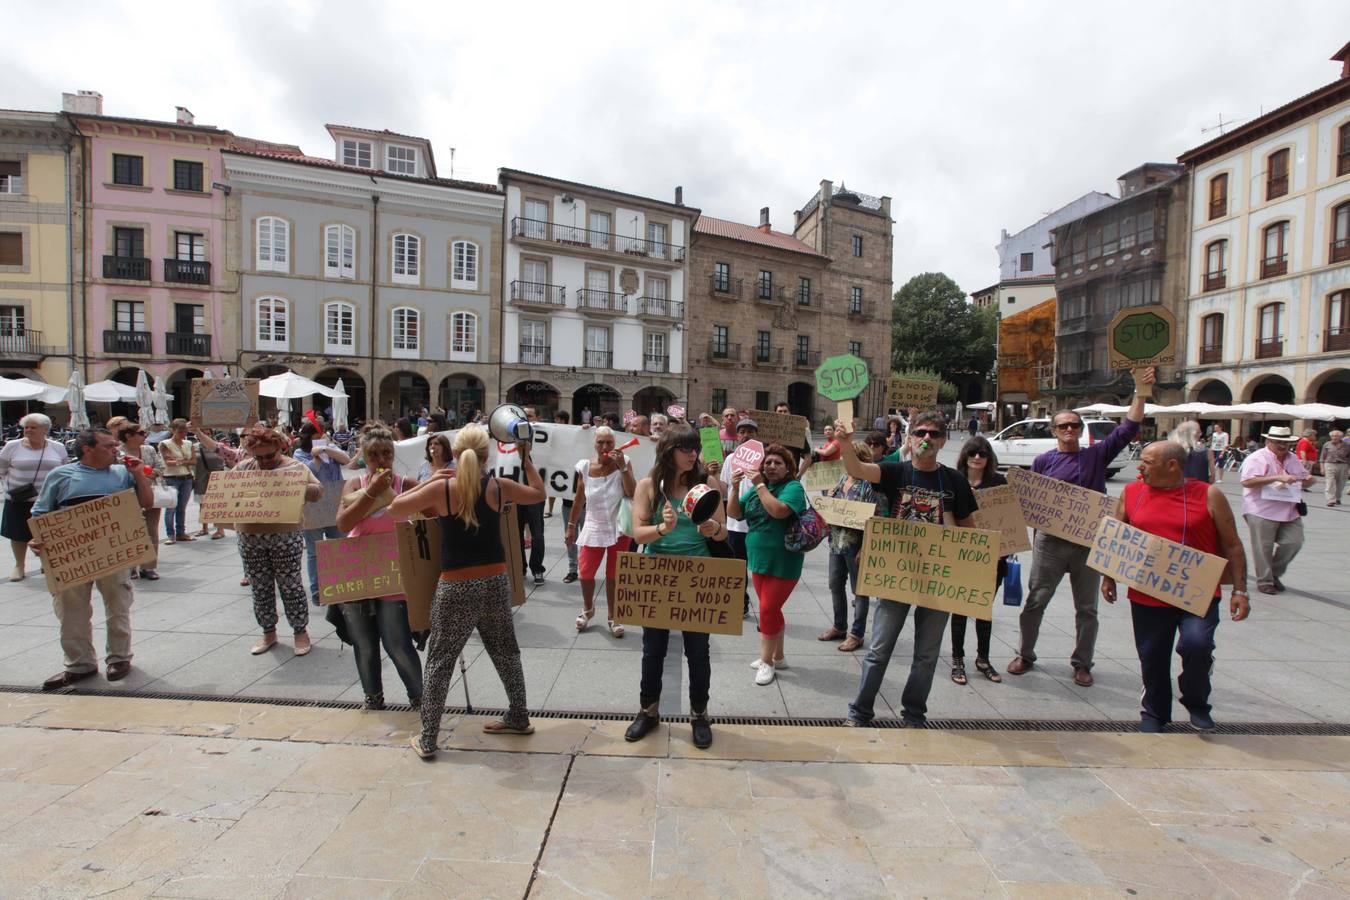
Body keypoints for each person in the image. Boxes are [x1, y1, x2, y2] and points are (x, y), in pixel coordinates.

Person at [391, 424, 544, 759]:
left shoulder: (444, 488)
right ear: (488, 455)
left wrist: (432, 480)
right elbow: (538, 493)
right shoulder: (499, 487)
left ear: (455, 454)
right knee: (506, 651)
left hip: (456, 584)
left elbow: (395, 508)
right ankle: (519, 716)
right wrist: (526, 459)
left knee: (439, 661)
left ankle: (428, 738)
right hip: (495, 580)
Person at [1007, 367, 1155, 686]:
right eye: (1063, 425)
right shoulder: (1043, 462)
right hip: (1051, 543)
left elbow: (1129, 427)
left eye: (1074, 424)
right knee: (1035, 601)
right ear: (1054, 430)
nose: (1069, 429)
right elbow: (1031, 504)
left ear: (1081, 428)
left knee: (1087, 608)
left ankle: (1083, 662)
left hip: (1088, 541)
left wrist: (1140, 391)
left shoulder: (1097, 456)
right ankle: (1025, 653)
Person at [835, 411, 978, 726]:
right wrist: (844, 443)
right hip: (897, 573)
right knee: (878, 649)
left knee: (926, 656)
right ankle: (860, 711)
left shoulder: (955, 480)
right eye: (921, 433)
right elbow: (856, 469)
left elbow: (970, 530)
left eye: (934, 434)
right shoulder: (895, 472)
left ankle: (914, 713)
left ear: (943, 441)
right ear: (910, 439)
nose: (927, 438)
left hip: (938, 580)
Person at [1101, 441, 1250, 732]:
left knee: (1197, 645)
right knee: (1152, 656)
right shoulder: (1132, 493)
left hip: (1197, 594)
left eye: (1147, 462)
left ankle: (1196, 702)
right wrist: (1109, 577)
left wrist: (1240, 591)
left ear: (1172, 465)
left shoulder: (1209, 495)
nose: (1140, 467)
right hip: (1147, 593)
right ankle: (1155, 713)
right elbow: (1117, 536)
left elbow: (1233, 545)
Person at [624, 426, 728, 749]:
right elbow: (638, 534)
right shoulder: (648, 486)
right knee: (652, 649)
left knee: (698, 652)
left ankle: (700, 714)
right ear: (668, 451)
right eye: (685, 448)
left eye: (694, 447)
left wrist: (712, 528)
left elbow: (723, 532)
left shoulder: (706, 484)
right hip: (657, 574)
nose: (692, 454)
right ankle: (648, 710)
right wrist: (662, 528)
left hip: (697, 575)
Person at [30, 429, 154, 689]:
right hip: (71, 556)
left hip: (114, 553)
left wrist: (139, 475)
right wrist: (37, 539)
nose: (115, 450)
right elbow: (41, 512)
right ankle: (79, 664)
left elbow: (147, 502)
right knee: (71, 612)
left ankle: (119, 658)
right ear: (88, 449)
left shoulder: (122, 473)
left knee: (118, 606)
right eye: (109, 446)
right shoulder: (60, 475)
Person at [335, 425, 422, 710]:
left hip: (394, 572)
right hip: (358, 569)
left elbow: (428, 515)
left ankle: (420, 698)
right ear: (364, 457)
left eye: (387, 453)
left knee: (397, 641)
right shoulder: (355, 485)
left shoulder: (405, 484)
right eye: (374, 455)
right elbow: (344, 524)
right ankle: (373, 698)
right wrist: (371, 492)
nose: (381, 459)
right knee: (365, 644)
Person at [235, 425, 324, 656]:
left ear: (280, 448)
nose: (264, 461)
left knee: (290, 584)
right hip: (250, 536)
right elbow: (227, 492)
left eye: (269, 456)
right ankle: (268, 632)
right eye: (259, 457)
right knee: (260, 586)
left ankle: (300, 632)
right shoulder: (244, 468)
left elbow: (318, 491)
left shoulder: (295, 468)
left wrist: (295, 487)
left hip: (285, 535)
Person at [730, 443, 807, 686]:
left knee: (766, 611)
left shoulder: (792, 487)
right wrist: (733, 488)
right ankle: (779, 656)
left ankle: (767, 662)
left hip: (784, 560)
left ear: (788, 468)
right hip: (759, 559)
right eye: (768, 462)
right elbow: (734, 513)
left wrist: (760, 484)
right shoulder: (755, 490)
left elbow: (778, 511)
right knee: (770, 609)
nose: (771, 466)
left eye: (778, 463)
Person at [566, 426, 636, 637]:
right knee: (585, 574)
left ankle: (614, 616)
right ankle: (588, 608)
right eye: (601, 443)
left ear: (614, 444)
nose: (605, 447)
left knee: (614, 575)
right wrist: (570, 526)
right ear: (594, 444)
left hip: (619, 527)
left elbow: (632, 492)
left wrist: (623, 468)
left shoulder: (625, 462)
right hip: (593, 525)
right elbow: (579, 499)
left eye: (609, 443)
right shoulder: (585, 466)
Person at [818, 441, 887, 653]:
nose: (841, 460)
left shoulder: (869, 486)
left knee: (860, 591)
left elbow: (875, 520)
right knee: (834, 584)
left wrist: (865, 548)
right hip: (836, 543)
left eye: (846, 457)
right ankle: (839, 626)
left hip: (856, 545)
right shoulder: (840, 480)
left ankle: (856, 634)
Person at [950, 436, 1006, 684]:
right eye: (973, 453)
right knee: (960, 610)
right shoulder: (955, 480)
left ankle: (983, 658)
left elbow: (1009, 517)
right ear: (965, 456)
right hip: (963, 556)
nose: (977, 457)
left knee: (984, 609)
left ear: (988, 457)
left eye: (982, 454)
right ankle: (957, 660)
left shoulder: (998, 482)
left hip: (993, 557)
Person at [1239, 425, 1313, 594]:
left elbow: (1303, 477)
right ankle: (1265, 581)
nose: (1283, 446)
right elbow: (1247, 482)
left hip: (1288, 508)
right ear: (1269, 441)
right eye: (1279, 442)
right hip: (1260, 508)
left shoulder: (1292, 458)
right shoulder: (1257, 458)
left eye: (1286, 442)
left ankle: (1274, 573)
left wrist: (1308, 480)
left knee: (1294, 541)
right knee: (1263, 546)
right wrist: (1278, 477)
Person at [0, 413, 66, 582]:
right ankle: (19, 565)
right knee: (17, 534)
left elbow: (65, 470)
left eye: (33, 427)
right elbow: (2, 468)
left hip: (49, 499)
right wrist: (10, 485)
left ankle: (48, 563)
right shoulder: (12, 446)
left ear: (45, 430)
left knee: (49, 533)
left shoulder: (57, 447)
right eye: (26, 427)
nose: (28, 430)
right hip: (18, 498)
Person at [293, 420, 352, 605]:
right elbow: (307, 473)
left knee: (339, 546)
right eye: (318, 435)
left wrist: (327, 449)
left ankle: (340, 586)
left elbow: (346, 460)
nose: (321, 437)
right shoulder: (299, 453)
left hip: (335, 502)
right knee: (314, 552)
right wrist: (316, 457)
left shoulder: (330, 447)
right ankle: (318, 591)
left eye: (323, 434)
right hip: (313, 506)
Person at [109, 418, 165, 580]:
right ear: (128, 436)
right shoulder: (117, 452)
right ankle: (131, 566)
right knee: (129, 532)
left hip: (150, 492)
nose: (145, 435)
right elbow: (115, 471)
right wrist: (147, 472)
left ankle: (149, 567)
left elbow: (160, 467)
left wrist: (144, 472)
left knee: (151, 531)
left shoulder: (149, 450)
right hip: (127, 495)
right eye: (141, 433)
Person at [715, 417, 760, 618]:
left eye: (750, 431)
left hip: (758, 523)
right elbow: (723, 489)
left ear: (756, 435)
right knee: (737, 564)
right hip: (735, 524)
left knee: (758, 567)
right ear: (738, 435)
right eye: (742, 432)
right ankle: (741, 600)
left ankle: (765, 606)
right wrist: (715, 476)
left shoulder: (764, 459)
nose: (746, 435)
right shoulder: (731, 459)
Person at [516, 405, 547, 585]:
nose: (525, 419)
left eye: (529, 415)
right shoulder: (509, 433)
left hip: (534, 494)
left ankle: (537, 569)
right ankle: (520, 567)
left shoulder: (536, 432)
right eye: (523, 415)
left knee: (537, 534)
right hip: (515, 493)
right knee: (517, 533)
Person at [158, 418, 197, 545]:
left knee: (182, 507)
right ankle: (170, 534)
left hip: (186, 477)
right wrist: (184, 460)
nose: (183, 433)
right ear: (173, 430)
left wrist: (179, 460)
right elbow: (168, 462)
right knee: (171, 508)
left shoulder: (188, 443)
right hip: (171, 478)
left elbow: (193, 461)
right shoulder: (165, 443)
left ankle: (181, 533)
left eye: (185, 431)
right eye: (180, 431)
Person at [1321, 429, 1349, 506]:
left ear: (1341, 437)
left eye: (1336, 436)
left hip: (1343, 465)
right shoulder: (1327, 444)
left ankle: (1338, 498)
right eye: (1332, 436)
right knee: (1330, 482)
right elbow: (1322, 457)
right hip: (1329, 464)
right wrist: (1322, 468)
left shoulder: (1347, 445)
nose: (1334, 437)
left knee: (1341, 484)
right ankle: (1330, 500)